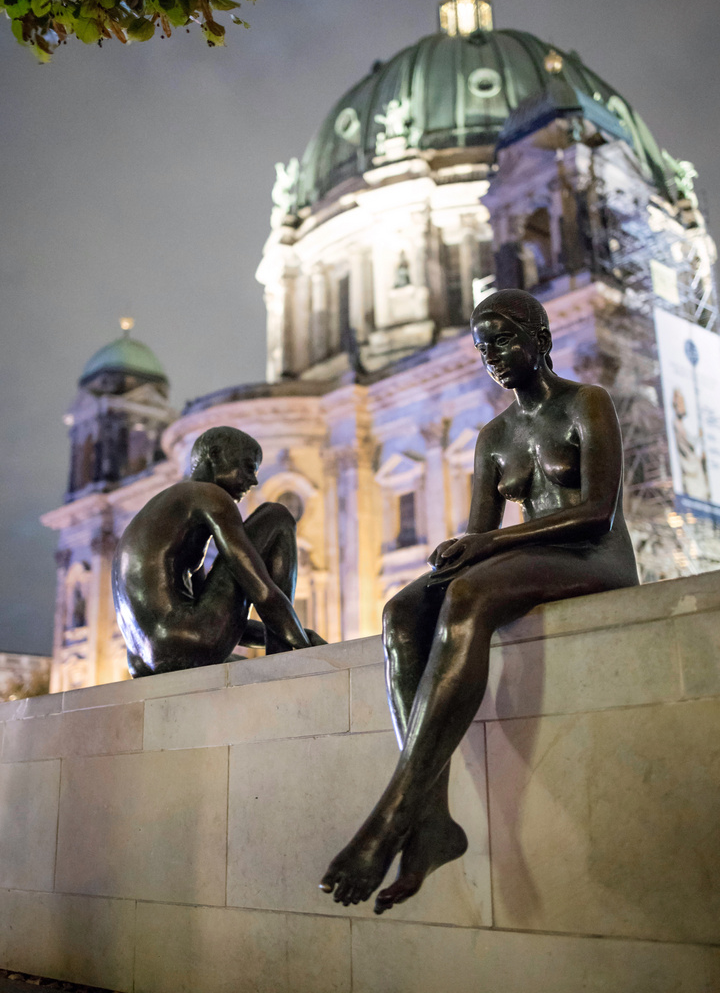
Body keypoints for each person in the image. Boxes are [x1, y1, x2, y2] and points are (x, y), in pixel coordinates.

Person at [320, 288, 639, 914]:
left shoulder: (586, 403)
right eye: (480, 343)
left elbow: (597, 514)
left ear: (538, 336)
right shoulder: (492, 436)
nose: (488, 353)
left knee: (468, 593)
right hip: (525, 558)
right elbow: (479, 533)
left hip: (593, 556)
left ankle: (391, 820)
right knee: (402, 613)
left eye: (501, 337)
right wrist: (459, 549)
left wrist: (486, 544)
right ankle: (432, 822)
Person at [113, 425, 320, 676]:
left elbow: (221, 618)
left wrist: (297, 631)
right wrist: (301, 644)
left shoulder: (162, 509)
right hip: (187, 640)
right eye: (247, 466)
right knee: (277, 516)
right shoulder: (209, 495)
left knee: (243, 670)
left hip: (145, 661)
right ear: (214, 455)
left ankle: (279, 645)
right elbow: (261, 590)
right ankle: (282, 653)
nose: (253, 480)